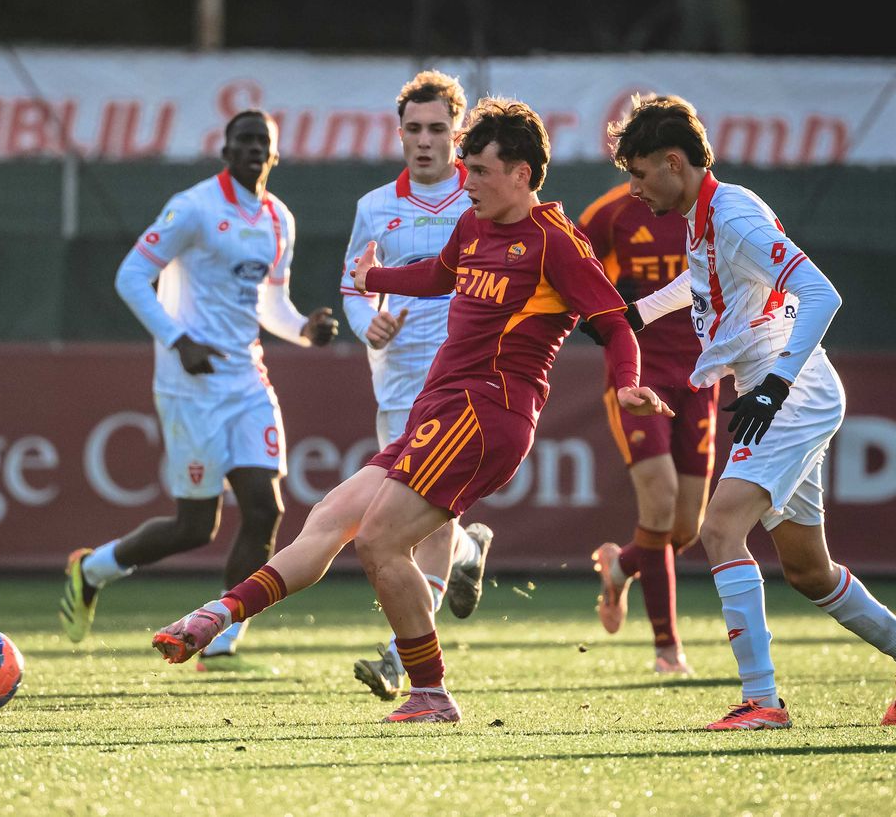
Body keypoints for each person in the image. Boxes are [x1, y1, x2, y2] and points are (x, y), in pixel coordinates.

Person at [151, 97, 673, 724]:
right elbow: (439, 275)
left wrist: (627, 384)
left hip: (489, 412)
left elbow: (616, 325)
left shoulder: (555, 242)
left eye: (479, 170)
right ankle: (218, 615)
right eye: (466, 167)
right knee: (330, 518)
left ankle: (429, 692)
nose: (467, 181)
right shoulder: (475, 223)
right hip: (440, 406)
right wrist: (375, 281)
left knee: (378, 541)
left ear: (524, 175)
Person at [609, 93, 896, 729]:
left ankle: (762, 701)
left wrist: (772, 387)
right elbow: (701, 279)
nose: (633, 188)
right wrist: (638, 313)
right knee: (806, 569)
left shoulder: (733, 215)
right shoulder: (703, 211)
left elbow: (821, 293)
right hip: (776, 388)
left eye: (637, 172)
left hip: (790, 391)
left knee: (719, 531)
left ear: (673, 162)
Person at [58, 110, 338, 659]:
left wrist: (303, 329)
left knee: (266, 507)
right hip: (189, 385)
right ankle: (92, 570)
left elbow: (270, 304)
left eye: (264, 142)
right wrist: (178, 340)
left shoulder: (279, 218)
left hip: (247, 377)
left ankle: (224, 633)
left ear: (275, 155)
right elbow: (131, 276)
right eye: (244, 140)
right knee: (194, 526)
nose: (254, 149)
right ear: (226, 150)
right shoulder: (193, 207)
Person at [339, 70, 496, 701]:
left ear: (459, 134)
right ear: (398, 132)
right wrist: (366, 321)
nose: (425, 141)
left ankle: (401, 661)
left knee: (420, 526)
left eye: (438, 129)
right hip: (398, 383)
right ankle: (466, 552)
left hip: (465, 385)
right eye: (414, 129)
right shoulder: (375, 207)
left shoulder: (483, 199)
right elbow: (355, 283)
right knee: (416, 529)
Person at [574, 184, 717, 674]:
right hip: (638, 375)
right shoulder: (610, 213)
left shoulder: (712, 211)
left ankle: (621, 567)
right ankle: (667, 650)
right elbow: (571, 271)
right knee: (658, 502)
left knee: (684, 530)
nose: (641, 174)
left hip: (700, 375)